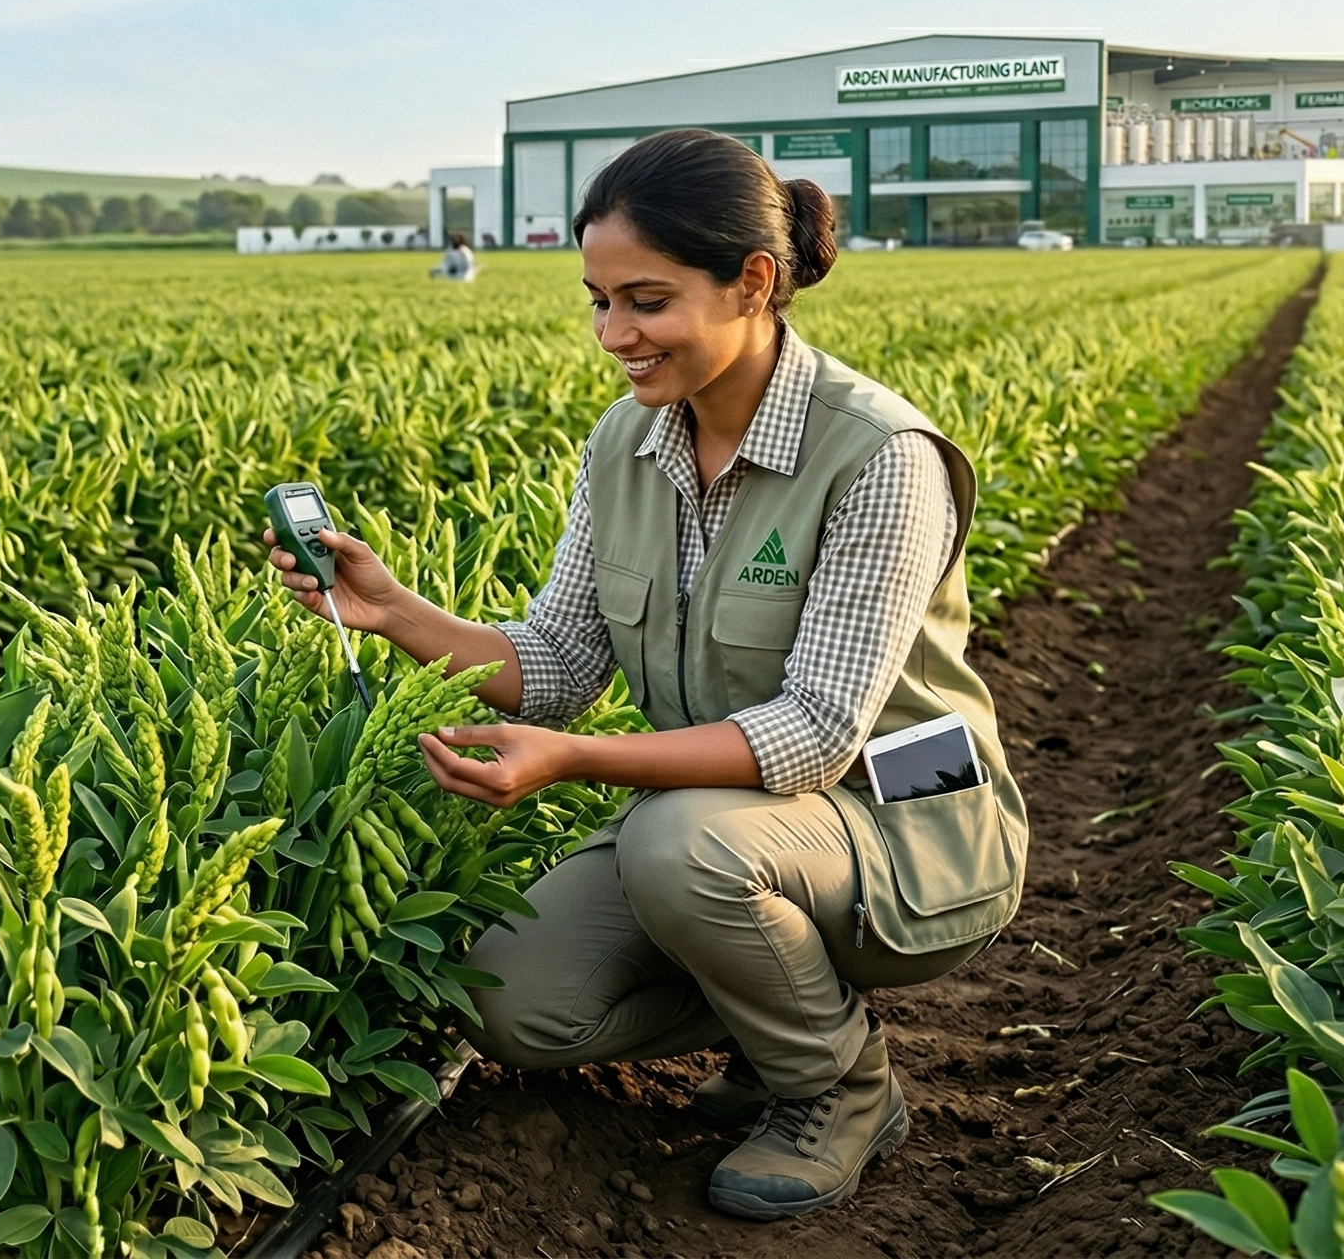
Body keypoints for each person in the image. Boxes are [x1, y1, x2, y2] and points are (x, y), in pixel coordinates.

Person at [262, 128, 1023, 1222]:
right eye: (596, 301)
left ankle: (839, 1087)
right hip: (730, 819)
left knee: (676, 847)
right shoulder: (626, 442)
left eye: (646, 300)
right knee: (515, 1001)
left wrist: (571, 763)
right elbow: (563, 662)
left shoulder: (877, 458)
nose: (614, 334)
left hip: (906, 814)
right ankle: (776, 1009)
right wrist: (391, 613)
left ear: (752, 282)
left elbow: (813, 734)